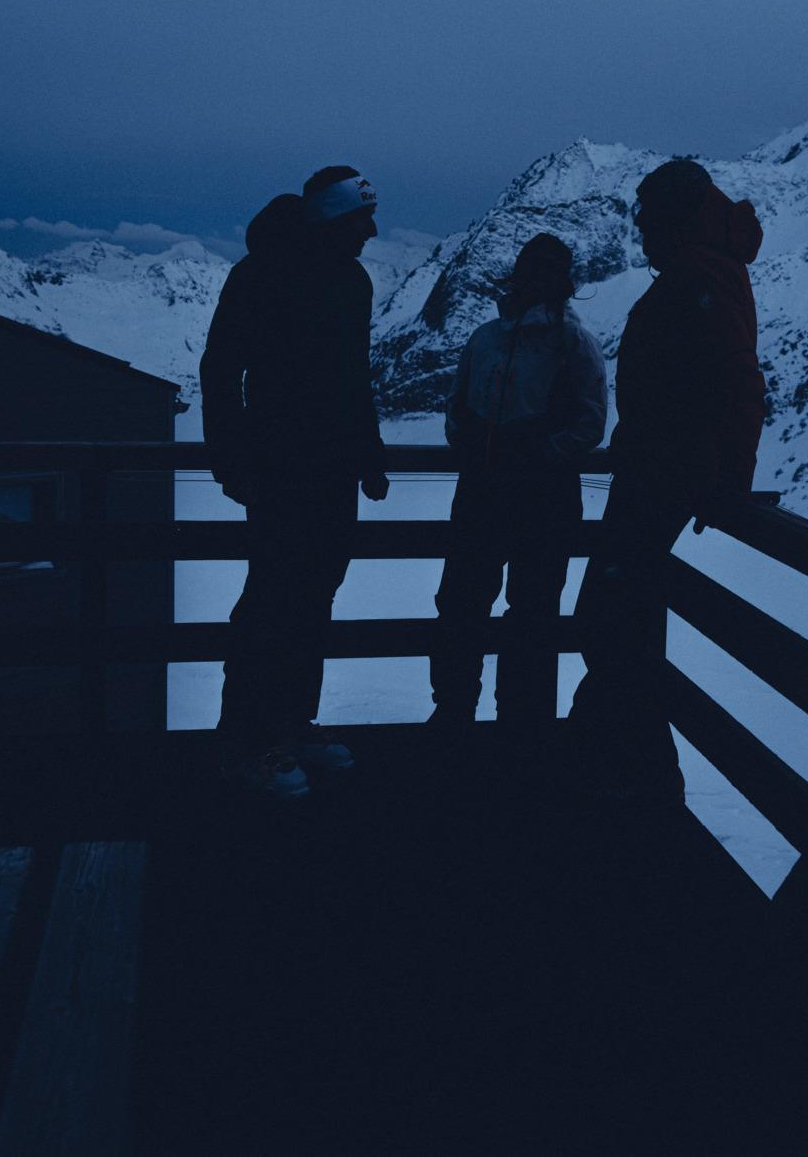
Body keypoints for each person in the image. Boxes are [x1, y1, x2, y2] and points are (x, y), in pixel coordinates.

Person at [569, 159, 766, 803]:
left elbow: (739, 383)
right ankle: (626, 769)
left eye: (649, 217)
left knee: (608, 613)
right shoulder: (701, 270)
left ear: (674, 218)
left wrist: (729, 479)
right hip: (661, 471)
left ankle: (630, 773)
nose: (641, 230)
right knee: (622, 615)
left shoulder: (701, 278)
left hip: (664, 476)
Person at [200, 166, 390, 797]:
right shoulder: (262, 275)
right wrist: (232, 459)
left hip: (330, 469)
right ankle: (245, 742)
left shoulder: (351, 281)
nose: (371, 229)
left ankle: (289, 726)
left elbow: (352, 375)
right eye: (361, 217)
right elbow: (222, 370)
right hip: (280, 469)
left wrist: (368, 453)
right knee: (274, 601)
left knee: (313, 597)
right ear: (333, 219)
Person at [431, 234, 608, 727]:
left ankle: (514, 719)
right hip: (497, 491)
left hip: (534, 496)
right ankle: (459, 711)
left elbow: (592, 423)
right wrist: (471, 440)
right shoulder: (487, 338)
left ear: (564, 282)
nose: (539, 279)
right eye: (534, 268)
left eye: (549, 270)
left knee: (522, 610)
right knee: (466, 603)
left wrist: (535, 454)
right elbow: (455, 405)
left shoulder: (572, 343)